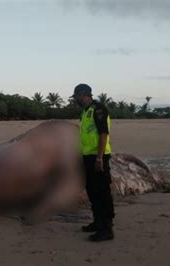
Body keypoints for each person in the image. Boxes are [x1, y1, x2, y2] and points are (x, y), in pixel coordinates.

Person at [72, 83, 115, 242]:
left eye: (76, 96)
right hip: (87, 157)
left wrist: (99, 158)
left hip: (99, 157)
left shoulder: (99, 110)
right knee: (92, 190)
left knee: (102, 192)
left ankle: (107, 228)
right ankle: (97, 222)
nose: (75, 99)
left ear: (84, 95)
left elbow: (103, 134)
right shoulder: (85, 112)